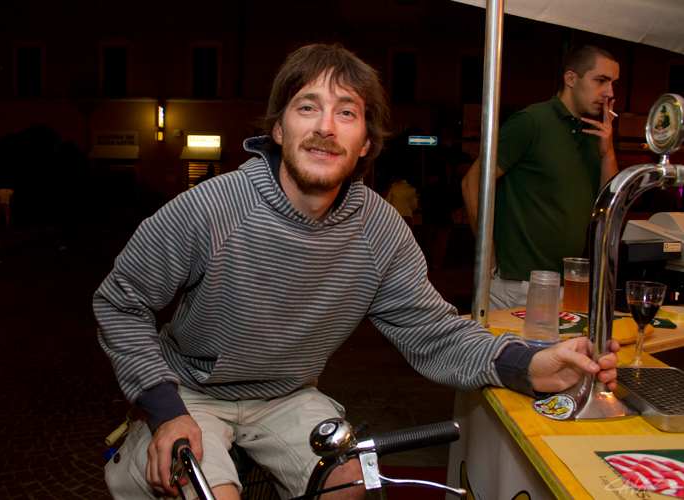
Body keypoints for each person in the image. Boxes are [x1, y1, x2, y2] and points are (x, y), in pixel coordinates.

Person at [94, 43, 620, 500]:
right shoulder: (212, 208)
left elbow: (434, 332)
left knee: (349, 480)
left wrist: (529, 364)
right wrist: (164, 408)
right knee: (211, 492)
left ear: (366, 142)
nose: (325, 127)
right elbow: (120, 301)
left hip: (288, 394)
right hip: (192, 390)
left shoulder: (379, 230)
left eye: (346, 112)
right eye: (308, 107)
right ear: (277, 128)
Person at [461, 42, 620, 311]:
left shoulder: (595, 133)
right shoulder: (532, 121)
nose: (609, 93)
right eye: (600, 80)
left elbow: (608, 206)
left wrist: (608, 153)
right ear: (571, 79)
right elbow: (472, 183)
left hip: (569, 283)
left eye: (613, 84)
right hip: (519, 284)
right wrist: (487, 258)